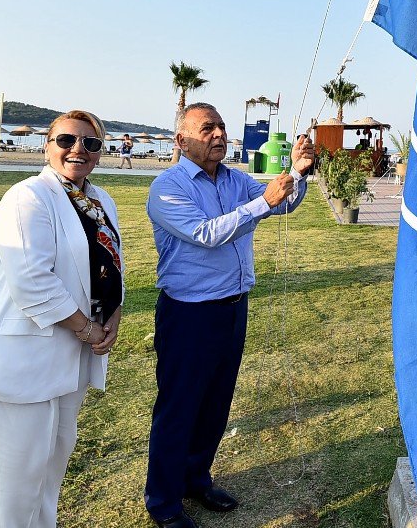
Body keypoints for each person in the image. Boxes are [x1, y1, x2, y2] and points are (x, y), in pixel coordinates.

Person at [144, 102, 314, 528]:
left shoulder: (236, 179)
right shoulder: (167, 188)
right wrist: (264, 203)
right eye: (208, 129)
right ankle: (163, 503)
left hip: (233, 309)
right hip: (189, 315)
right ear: (182, 141)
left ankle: (196, 479)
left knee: (215, 402)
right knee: (179, 407)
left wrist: (298, 172)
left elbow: (281, 205)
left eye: (221, 127)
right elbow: (207, 233)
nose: (219, 134)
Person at [0, 110, 124, 528]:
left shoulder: (101, 200)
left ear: (100, 153)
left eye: (91, 143)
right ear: (47, 145)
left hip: (70, 358)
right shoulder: (27, 196)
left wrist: (114, 316)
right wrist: (87, 328)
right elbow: (31, 278)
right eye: (67, 139)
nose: (78, 150)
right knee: (15, 489)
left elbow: (111, 266)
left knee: (50, 474)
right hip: (23, 362)